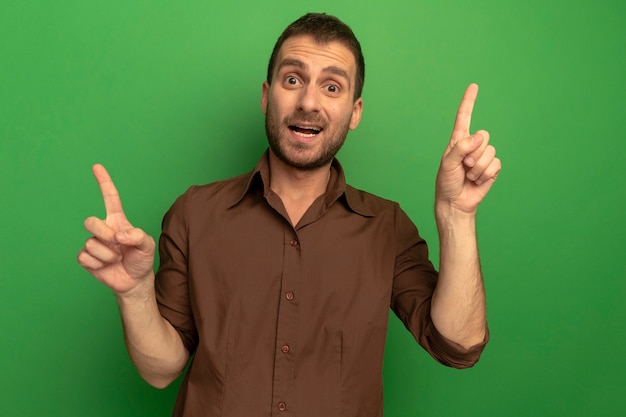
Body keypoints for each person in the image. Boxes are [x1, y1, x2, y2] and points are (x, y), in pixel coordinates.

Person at [78, 12, 501, 417]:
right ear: (267, 96)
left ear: (354, 112)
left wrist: (456, 214)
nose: (309, 102)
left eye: (332, 87)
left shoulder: (387, 227)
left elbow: (458, 346)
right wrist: (134, 294)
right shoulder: (194, 212)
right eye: (293, 79)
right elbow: (161, 369)